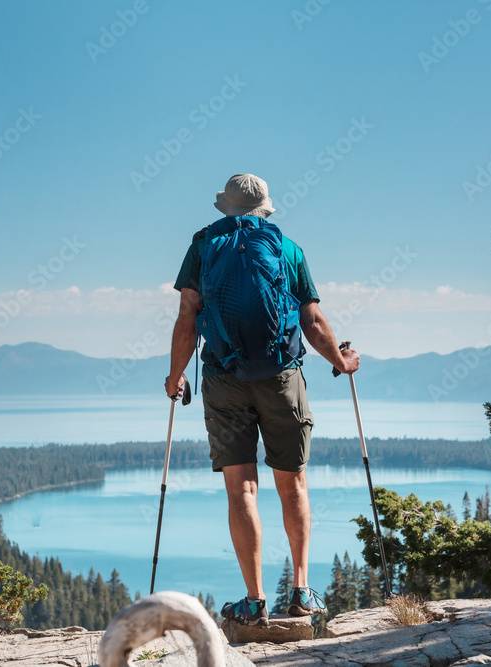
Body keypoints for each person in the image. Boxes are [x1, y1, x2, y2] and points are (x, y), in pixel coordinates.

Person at [164, 173, 360, 626]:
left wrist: (175, 377)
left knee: (242, 488)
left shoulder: (202, 246)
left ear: (225, 208)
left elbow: (186, 319)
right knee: (292, 482)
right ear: (264, 210)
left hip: (221, 377)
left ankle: (253, 602)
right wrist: (342, 360)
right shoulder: (287, 248)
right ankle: (302, 592)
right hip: (281, 378)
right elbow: (312, 322)